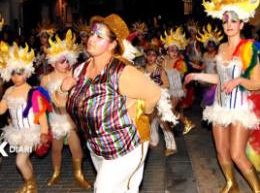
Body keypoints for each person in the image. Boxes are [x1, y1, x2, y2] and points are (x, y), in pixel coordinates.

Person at [58, 14, 176, 193]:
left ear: (113, 44)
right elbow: (60, 102)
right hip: (96, 145)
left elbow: (154, 93)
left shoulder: (122, 72)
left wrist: (140, 111)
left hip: (126, 145)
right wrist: (63, 89)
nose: (91, 39)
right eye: (91, 34)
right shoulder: (80, 69)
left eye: (99, 36)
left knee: (103, 188)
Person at [185, 0, 260, 192]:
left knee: (237, 154)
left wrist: (239, 80)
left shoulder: (250, 48)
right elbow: (220, 79)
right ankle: (231, 184)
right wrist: (196, 76)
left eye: (233, 20)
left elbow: (257, 82)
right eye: (225, 20)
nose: (228, 25)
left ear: (242, 22)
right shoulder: (221, 49)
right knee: (221, 151)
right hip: (220, 106)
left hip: (239, 108)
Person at [41, 29, 92, 189]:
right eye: (62, 61)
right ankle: (56, 172)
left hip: (70, 120)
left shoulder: (73, 76)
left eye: (67, 60)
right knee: (56, 149)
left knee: (76, 149)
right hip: (55, 119)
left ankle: (79, 175)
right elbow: (41, 102)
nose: (66, 64)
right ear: (53, 62)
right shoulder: (46, 79)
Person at [0, 41, 50, 193]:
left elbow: (40, 115)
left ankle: (30, 185)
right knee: (25, 160)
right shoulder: (8, 92)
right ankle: (30, 185)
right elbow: (2, 110)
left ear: (27, 72)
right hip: (16, 132)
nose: (16, 77)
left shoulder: (32, 92)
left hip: (31, 133)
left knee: (20, 161)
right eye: (13, 73)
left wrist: (44, 132)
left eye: (20, 73)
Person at [141, 44, 177, 156]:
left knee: (163, 122)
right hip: (147, 98)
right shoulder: (142, 69)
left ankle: (171, 146)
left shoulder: (159, 70)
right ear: (145, 56)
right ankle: (153, 140)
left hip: (159, 98)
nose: (151, 57)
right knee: (150, 120)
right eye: (149, 55)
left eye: (153, 55)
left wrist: (156, 89)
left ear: (157, 57)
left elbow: (166, 85)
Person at [160, 27, 196, 135]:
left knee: (169, 109)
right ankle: (172, 124)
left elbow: (186, 76)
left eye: (176, 50)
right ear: (167, 50)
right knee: (168, 109)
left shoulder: (180, 62)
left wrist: (184, 87)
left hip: (176, 89)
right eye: (171, 50)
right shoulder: (164, 59)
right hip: (166, 89)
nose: (174, 52)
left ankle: (187, 122)